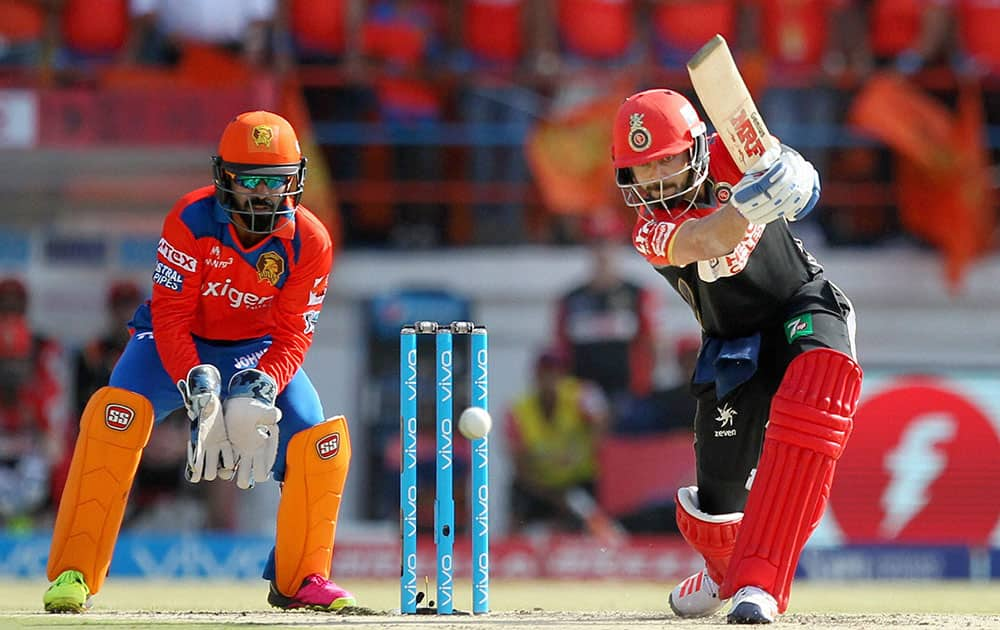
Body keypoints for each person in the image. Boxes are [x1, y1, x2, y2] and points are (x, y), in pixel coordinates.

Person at [42, 111, 355, 614]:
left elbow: (295, 332)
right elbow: (169, 316)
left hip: (255, 351)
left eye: (274, 182)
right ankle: (74, 572)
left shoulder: (309, 241)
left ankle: (301, 579)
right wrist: (197, 382)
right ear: (224, 177)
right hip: (173, 345)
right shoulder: (191, 217)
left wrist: (263, 385)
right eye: (249, 180)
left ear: (294, 181)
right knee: (112, 419)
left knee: (316, 442)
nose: (261, 195)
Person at [610, 89, 861, 623]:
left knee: (822, 385)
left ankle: (760, 585)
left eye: (666, 159)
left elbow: (801, 181)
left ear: (696, 147)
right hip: (734, 345)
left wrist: (793, 176)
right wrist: (749, 205)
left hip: (801, 305)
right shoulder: (647, 231)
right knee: (719, 510)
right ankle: (724, 573)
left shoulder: (733, 151)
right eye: (643, 167)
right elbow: (705, 239)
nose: (656, 177)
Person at [506, 348, 623, 542]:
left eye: (555, 373)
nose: (550, 380)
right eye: (544, 373)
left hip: (578, 482)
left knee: (589, 515)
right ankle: (512, 549)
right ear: (536, 377)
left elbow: (602, 422)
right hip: (540, 487)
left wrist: (587, 448)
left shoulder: (580, 396)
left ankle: (598, 548)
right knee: (518, 497)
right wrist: (553, 495)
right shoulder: (519, 411)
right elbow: (519, 466)